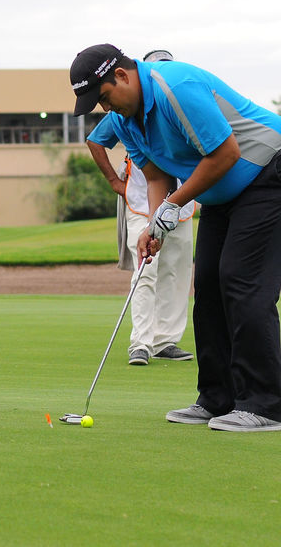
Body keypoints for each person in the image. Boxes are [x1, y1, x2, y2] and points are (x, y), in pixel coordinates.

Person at [70, 44, 281, 432]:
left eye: (105, 97)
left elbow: (225, 153)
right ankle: (217, 399)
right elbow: (158, 177)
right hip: (223, 192)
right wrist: (154, 225)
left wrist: (175, 203)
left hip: (270, 173)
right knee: (210, 284)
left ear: (124, 76)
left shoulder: (173, 87)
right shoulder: (127, 118)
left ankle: (261, 406)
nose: (105, 108)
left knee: (241, 281)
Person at [86, 49, 195, 366]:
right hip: (141, 201)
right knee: (146, 270)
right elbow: (96, 140)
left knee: (176, 271)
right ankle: (141, 342)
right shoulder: (125, 110)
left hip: (181, 202)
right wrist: (113, 181)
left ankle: (165, 340)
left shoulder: (178, 103)